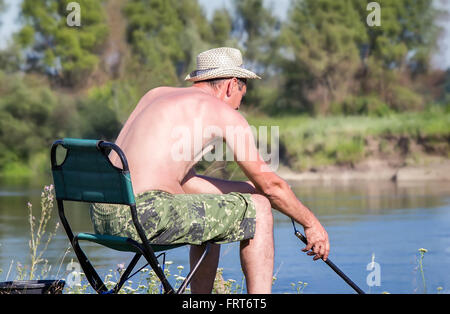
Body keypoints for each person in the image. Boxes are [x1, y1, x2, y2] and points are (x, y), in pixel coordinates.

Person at [90, 47, 329, 294]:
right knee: (259, 210)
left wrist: (251, 191)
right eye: (242, 95)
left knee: (214, 206)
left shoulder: (155, 95)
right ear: (231, 85)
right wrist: (311, 224)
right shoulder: (222, 113)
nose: (238, 106)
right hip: (143, 216)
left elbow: (185, 183)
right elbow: (272, 185)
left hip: (104, 216)